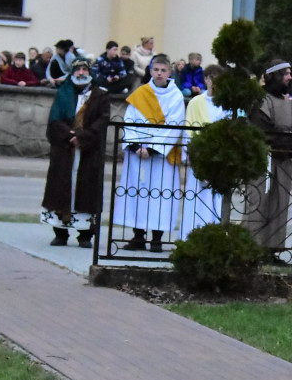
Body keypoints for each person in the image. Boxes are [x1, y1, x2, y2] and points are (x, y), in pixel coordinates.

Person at [114, 54, 185, 253]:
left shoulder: (176, 96)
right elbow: (130, 120)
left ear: (169, 72)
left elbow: (174, 126)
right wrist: (137, 147)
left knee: (161, 197)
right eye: (156, 70)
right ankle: (138, 236)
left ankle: (157, 239)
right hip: (138, 155)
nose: (159, 74)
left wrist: (153, 149)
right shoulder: (141, 93)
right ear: (151, 71)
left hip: (161, 158)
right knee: (137, 193)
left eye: (163, 70)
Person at [40, 58, 110, 248]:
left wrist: (83, 137)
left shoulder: (100, 95)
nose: (81, 73)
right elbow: (55, 120)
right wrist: (69, 136)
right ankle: (60, 233)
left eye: (84, 69)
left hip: (88, 153)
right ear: (72, 72)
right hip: (64, 150)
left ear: (90, 72)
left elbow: (102, 121)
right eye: (77, 70)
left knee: (87, 190)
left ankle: (85, 235)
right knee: (61, 187)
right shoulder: (63, 93)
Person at [244, 60, 292, 262]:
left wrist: (284, 137)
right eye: (285, 73)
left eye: (290, 73)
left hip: (283, 162)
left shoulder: (289, 104)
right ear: (274, 76)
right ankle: (252, 249)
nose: (289, 77)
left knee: (280, 205)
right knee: (258, 203)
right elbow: (263, 130)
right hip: (263, 161)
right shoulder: (260, 101)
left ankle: (272, 250)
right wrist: (284, 135)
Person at [179, 64, 231, 239]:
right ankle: (192, 237)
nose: (214, 83)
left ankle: (216, 238)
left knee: (217, 201)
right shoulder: (195, 103)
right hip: (200, 160)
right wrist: (197, 157)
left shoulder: (228, 104)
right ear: (206, 79)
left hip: (221, 162)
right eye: (211, 78)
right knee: (197, 201)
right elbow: (188, 133)